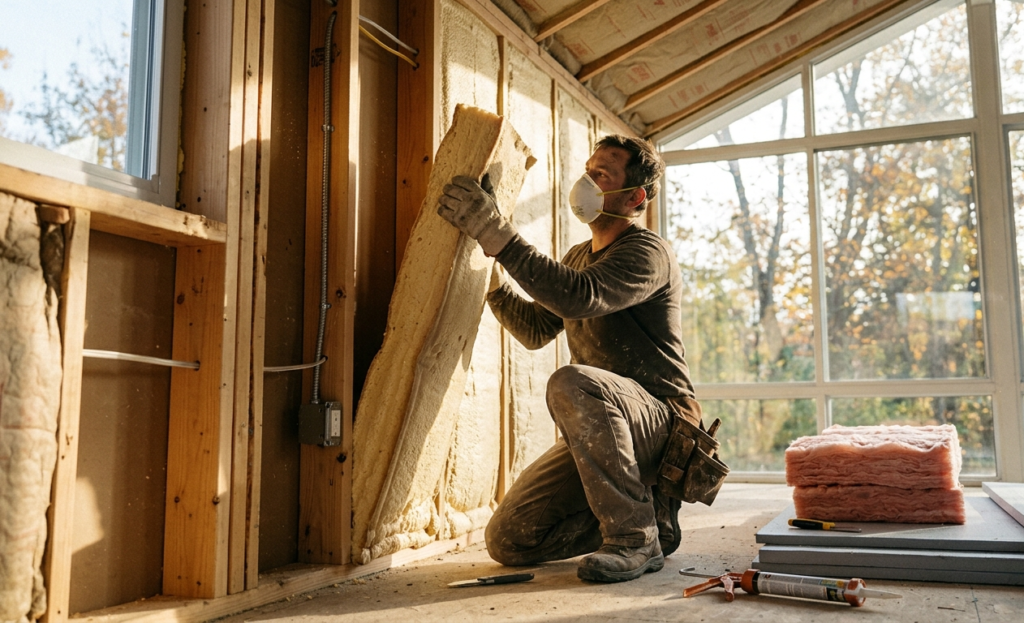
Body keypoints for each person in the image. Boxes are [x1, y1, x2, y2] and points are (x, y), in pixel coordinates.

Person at [436, 135, 701, 583]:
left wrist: (498, 233)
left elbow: (579, 296)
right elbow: (538, 329)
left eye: (602, 175)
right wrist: (492, 280)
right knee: (510, 539)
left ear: (634, 196)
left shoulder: (647, 252)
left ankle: (633, 538)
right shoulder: (579, 256)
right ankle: (652, 520)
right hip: (605, 428)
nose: (587, 181)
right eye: (588, 169)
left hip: (661, 423)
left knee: (571, 381)